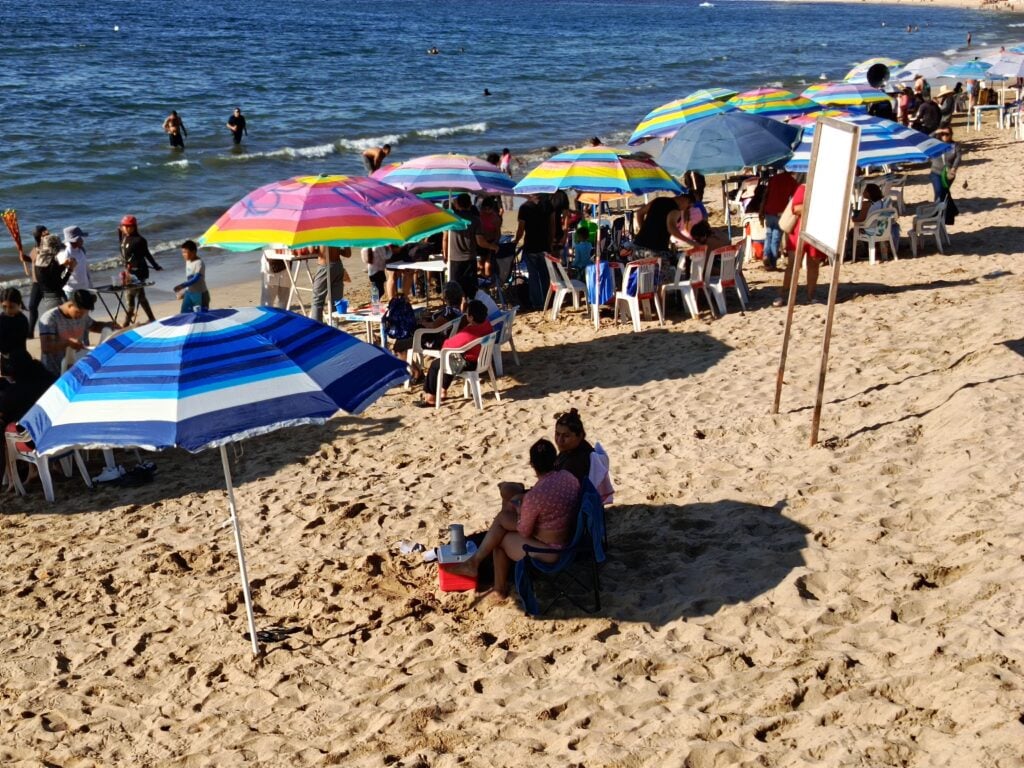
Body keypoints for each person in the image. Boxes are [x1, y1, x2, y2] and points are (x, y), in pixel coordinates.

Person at [447, 438, 578, 598]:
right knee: (504, 517)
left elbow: (524, 530)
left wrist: (519, 507)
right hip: (568, 539)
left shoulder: (536, 496)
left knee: (499, 539)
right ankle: (475, 563)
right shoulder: (568, 477)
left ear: (532, 465)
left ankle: (498, 587)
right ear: (555, 459)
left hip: (551, 551)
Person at [419, 300, 492, 407]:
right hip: (481, 358)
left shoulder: (469, 332)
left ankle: (430, 397)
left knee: (436, 365)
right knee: (450, 359)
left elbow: (447, 346)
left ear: (471, 317)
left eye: (467, 314)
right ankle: (443, 389)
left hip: (469, 362)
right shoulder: (486, 324)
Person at [37, 289, 118, 377]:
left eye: (84, 313)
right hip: (55, 372)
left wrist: (108, 325)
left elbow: (93, 326)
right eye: (78, 312)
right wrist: (68, 343)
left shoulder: (82, 314)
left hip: (78, 366)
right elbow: (46, 347)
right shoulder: (50, 318)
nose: (81, 316)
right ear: (70, 304)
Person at [773, 183, 826, 306]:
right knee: (793, 265)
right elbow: (796, 208)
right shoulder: (803, 188)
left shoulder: (824, 189)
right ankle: (784, 294)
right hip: (798, 233)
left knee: (813, 265)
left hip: (816, 232)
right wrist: (815, 205)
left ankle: (810, 296)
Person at [119, 215, 163, 324]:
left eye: (128, 226)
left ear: (133, 227)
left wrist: (155, 265)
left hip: (138, 272)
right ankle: (151, 318)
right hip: (128, 272)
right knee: (140, 296)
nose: (125, 228)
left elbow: (147, 254)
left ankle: (126, 323)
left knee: (130, 296)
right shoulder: (124, 237)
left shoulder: (140, 240)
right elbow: (123, 251)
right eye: (124, 226)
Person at [444, 193, 488, 299]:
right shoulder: (475, 220)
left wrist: (445, 254)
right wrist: (493, 246)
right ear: (470, 204)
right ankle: (468, 310)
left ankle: (458, 310)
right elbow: (480, 242)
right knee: (470, 290)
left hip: (454, 258)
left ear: (457, 204)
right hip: (469, 258)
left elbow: (445, 239)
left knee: (456, 290)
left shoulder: (451, 219)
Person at [514, 193, 553, 309]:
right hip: (544, 245)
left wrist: (515, 242)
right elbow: (552, 225)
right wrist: (550, 242)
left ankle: (537, 303)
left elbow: (521, 229)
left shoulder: (525, 207)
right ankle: (547, 301)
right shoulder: (547, 205)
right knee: (545, 275)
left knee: (534, 276)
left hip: (531, 245)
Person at [760, 169, 799, 271]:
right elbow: (795, 198)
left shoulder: (774, 179)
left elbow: (766, 194)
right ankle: (772, 263)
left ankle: (765, 256)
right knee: (776, 238)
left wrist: (762, 210)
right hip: (780, 212)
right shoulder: (792, 181)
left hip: (769, 210)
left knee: (768, 235)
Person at [35, 234, 75, 319]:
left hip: (46, 298)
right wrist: (70, 270)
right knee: (65, 322)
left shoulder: (39, 259)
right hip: (57, 298)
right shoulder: (52, 263)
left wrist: (64, 265)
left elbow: (49, 275)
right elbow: (60, 284)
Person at [552, 408, 594, 483]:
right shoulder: (568, 449)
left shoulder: (576, 463)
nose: (559, 440)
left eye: (566, 436)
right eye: (557, 434)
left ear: (580, 436)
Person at [311, 246, 349, 323]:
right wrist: (337, 250)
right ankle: (334, 327)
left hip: (324, 265)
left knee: (317, 300)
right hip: (338, 266)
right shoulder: (338, 233)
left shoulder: (318, 233)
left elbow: (311, 250)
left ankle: (316, 327)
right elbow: (348, 254)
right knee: (336, 301)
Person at [173, 240, 210, 313]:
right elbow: (189, 278)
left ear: (193, 252)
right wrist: (184, 292)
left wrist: (182, 286)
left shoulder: (199, 263)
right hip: (189, 293)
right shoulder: (188, 261)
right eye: (182, 252)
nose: (183, 254)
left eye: (185, 252)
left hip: (200, 294)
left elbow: (195, 279)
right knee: (184, 314)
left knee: (201, 316)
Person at [26, 225, 48, 335]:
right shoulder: (35, 248)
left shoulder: (48, 247)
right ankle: (30, 332)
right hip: (36, 282)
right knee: (32, 306)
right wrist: (24, 257)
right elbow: (32, 260)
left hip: (47, 282)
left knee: (51, 306)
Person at [930, 127, 962, 202]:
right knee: (938, 191)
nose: (944, 136)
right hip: (936, 172)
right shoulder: (936, 144)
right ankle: (937, 208)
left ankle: (943, 209)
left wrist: (954, 168)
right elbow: (927, 139)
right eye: (942, 134)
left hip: (948, 173)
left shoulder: (955, 145)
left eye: (947, 134)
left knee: (944, 192)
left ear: (951, 135)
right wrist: (936, 131)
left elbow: (958, 157)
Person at [58, 226, 91, 296]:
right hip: (71, 290)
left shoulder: (81, 249)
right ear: (73, 241)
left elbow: (85, 268)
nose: (82, 240)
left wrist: (90, 283)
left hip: (84, 286)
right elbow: (61, 273)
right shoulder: (64, 253)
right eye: (79, 238)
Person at [0, 288, 30, 361]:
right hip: (6, 360)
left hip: (20, 359)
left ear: (19, 304)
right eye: (4, 307)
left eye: (11, 307)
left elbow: (17, 342)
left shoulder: (22, 320)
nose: (7, 310)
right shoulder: (1, 319)